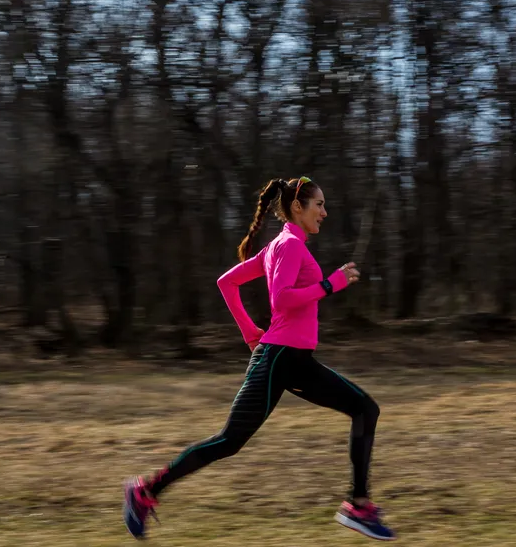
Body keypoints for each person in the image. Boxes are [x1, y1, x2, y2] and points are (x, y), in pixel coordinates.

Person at [122, 176, 395, 541]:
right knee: (229, 441)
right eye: (319, 205)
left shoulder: (279, 247)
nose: (325, 213)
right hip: (281, 359)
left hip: (289, 358)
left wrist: (251, 333)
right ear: (298, 208)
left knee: (364, 409)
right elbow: (281, 300)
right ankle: (145, 491)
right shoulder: (289, 247)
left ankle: (358, 504)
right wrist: (330, 285)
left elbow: (226, 282)